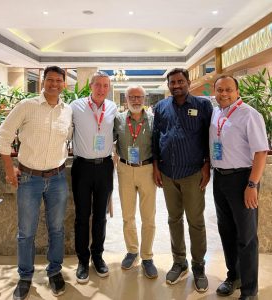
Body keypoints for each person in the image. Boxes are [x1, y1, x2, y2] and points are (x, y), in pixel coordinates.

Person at [0, 66, 73, 300]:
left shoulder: (67, 110)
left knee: (57, 229)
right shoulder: (26, 106)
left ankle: (55, 271)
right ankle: (25, 276)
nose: (54, 84)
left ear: (64, 84)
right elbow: (4, 135)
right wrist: (10, 169)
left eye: (59, 81)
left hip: (58, 177)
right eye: (50, 80)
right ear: (42, 82)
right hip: (29, 179)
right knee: (26, 232)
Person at [152, 68, 213, 292]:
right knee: (173, 219)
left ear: (188, 82)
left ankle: (199, 265)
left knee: (196, 221)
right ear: (168, 84)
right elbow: (156, 137)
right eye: (172, 82)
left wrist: (207, 165)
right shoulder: (160, 107)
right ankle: (179, 262)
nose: (176, 85)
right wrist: (156, 167)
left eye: (180, 81)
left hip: (193, 173)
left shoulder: (203, 105)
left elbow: (209, 135)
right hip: (168, 173)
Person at [210, 75, 269, 300]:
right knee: (227, 232)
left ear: (237, 91)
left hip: (243, 179)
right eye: (220, 90)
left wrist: (252, 184)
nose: (224, 94)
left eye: (228, 90)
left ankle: (249, 290)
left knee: (246, 237)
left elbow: (261, 152)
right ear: (214, 91)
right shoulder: (217, 112)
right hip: (220, 179)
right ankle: (233, 276)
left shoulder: (250, 115)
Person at [70, 71, 117, 283]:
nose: (101, 89)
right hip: (82, 167)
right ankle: (82, 259)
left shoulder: (113, 108)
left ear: (109, 88)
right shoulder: (76, 106)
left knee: (100, 215)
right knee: (82, 216)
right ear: (91, 86)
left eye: (105, 85)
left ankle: (97, 256)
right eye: (98, 85)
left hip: (105, 167)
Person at [114, 85, 157, 279]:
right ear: (126, 99)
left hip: (147, 169)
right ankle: (132, 251)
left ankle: (147, 256)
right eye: (132, 96)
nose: (136, 100)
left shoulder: (154, 120)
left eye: (139, 96)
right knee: (127, 215)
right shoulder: (119, 119)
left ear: (145, 99)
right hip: (124, 168)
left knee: (148, 216)